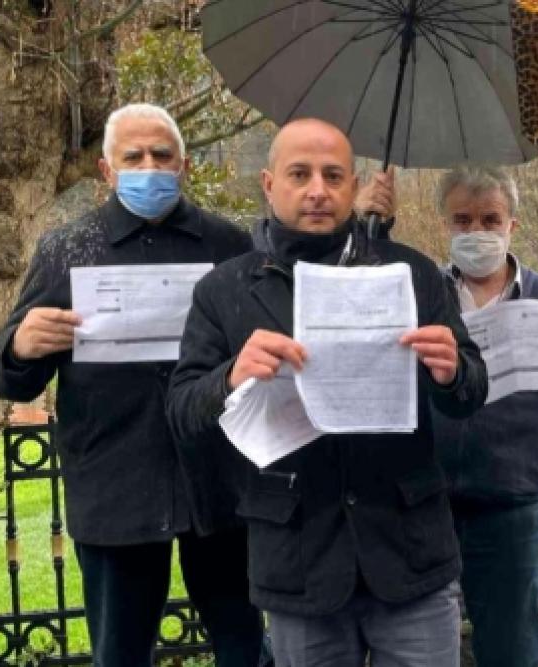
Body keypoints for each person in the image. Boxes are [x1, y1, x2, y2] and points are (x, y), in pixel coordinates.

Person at [166, 118, 487, 667]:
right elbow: (181, 411)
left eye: (333, 176)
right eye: (300, 174)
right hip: (298, 557)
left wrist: (453, 370)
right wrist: (230, 376)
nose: (318, 190)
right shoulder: (223, 289)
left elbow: (471, 393)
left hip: (408, 548)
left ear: (353, 185)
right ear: (269, 184)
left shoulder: (409, 271)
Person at [0, 104, 265, 667]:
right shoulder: (69, 249)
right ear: (107, 171)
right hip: (115, 485)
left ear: (183, 164)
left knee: (244, 645)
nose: (149, 167)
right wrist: (17, 347)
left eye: (161, 155)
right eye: (132, 157)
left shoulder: (228, 245)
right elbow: (10, 378)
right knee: (120, 652)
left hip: (219, 482)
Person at [359, 165, 538, 666]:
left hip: (512, 506)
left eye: (490, 219)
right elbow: (362, 304)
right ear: (445, 224)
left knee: (513, 649)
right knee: (420, 650)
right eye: (462, 220)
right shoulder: (422, 292)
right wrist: (371, 228)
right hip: (426, 502)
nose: (476, 231)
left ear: (513, 224)